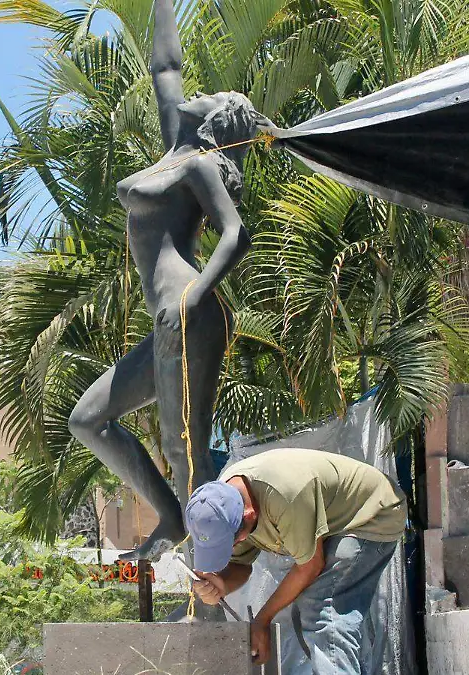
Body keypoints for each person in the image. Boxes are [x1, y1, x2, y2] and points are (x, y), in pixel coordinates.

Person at [66, 0, 273, 563]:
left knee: (186, 447)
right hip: (171, 312)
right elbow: (164, 67)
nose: (192, 93)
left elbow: (236, 235)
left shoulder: (200, 165)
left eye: (207, 96)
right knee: (87, 419)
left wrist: (194, 295)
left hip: (189, 308)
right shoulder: (171, 152)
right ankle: (175, 519)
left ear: (215, 119)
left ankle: (221, 569)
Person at [185, 447, 406, 674]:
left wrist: (262, 620)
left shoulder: (285, 494)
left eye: (231, 542)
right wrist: (222, 584)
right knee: (307, 614)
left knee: (323, 610)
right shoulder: (222, 505)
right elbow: (240, 565)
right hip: (334, 524)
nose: (231, 548)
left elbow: (310, 567)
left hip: (371, 515)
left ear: (248, 515)